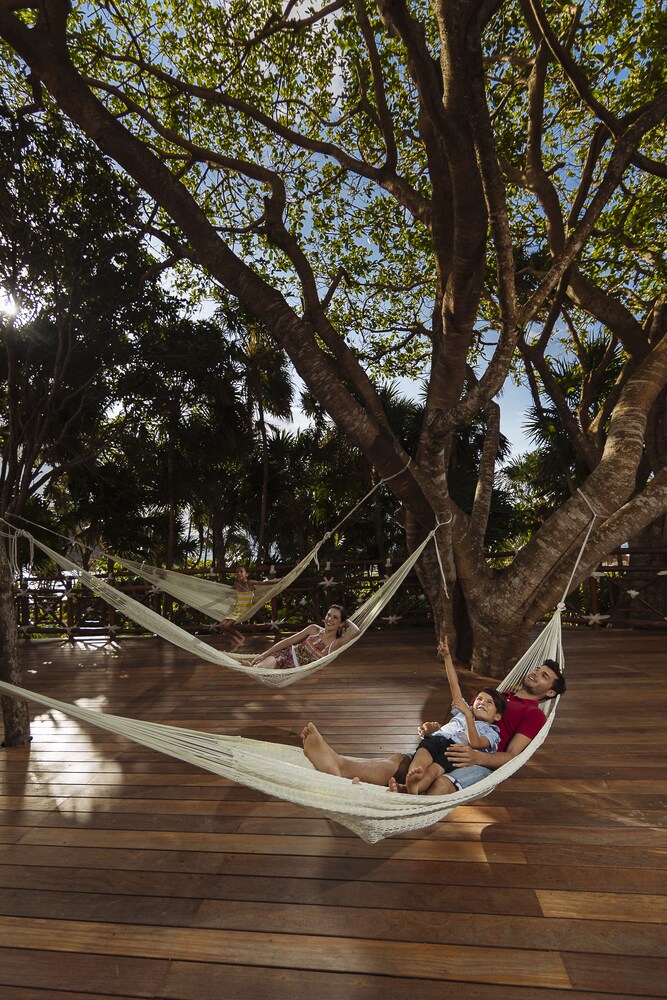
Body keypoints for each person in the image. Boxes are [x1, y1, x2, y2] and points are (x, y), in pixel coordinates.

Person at [300, 645, 565, 793]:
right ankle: (339, 765)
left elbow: (514, 756)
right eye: (537, 669)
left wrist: (478, 757)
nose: (535, 674)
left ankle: (406, 800)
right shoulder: (498, 696)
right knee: (399, 761)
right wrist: (438, 728)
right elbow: (462, 713)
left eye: (544, 676)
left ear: (550, 692)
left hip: (480, 759)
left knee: (439, 782)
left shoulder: (534, 715)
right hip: (448, 743)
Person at [398, 637, 505, 795]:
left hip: (454, 750)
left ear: (497, 716)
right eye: (480, 699)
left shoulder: (492, 732)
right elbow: (454, 684)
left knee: (434, 771)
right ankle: (411, 783)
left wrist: (468, 715)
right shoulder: (463, 710)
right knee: (421, 758)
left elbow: (475, 744)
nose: (482, 702)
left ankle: (412, 788)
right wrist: (447, 657)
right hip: (437, 739)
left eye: (489, 703)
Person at [249, 604, 360, 670]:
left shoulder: (335, 644)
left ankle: (248, 664)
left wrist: (345, 620)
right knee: (258, 670)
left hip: (295, 670)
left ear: (341, 623)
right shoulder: (314, 629)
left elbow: (356, 631)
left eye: (335, 617)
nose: (330, 619)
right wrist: (264, 654)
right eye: (328, 615)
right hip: (285, 655)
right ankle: (249, 664)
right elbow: (288, 641)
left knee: (262, 672)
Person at [214, 564, 265, 646]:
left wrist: (280, 580)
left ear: (246, 574)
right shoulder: (237, 585)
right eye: (237, 572)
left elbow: (265, 583)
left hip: (245, 610)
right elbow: (227, 590)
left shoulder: (250, 583)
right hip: (237, 610)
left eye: (241, 571)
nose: (238, 573)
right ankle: (238, 642)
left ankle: (241, 638)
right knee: (221, 626)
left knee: (226, 626)